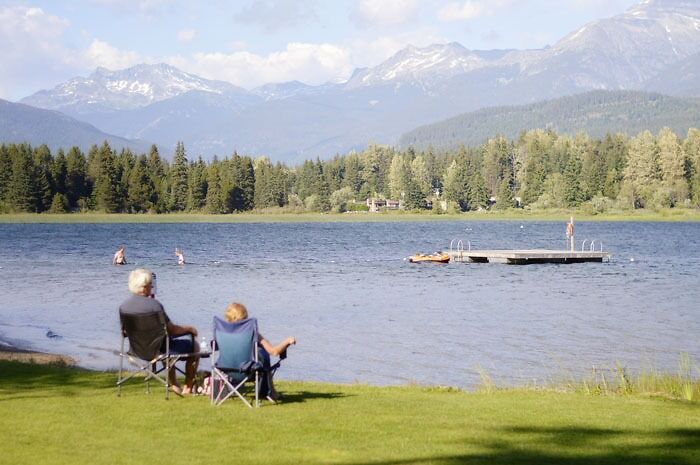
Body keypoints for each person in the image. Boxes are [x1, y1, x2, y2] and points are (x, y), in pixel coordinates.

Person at [119, 268, 199, 395]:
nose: (151, 287)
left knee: (164, 343)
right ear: (144, 287)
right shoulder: (155, 306)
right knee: (194, 346)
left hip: (136, 350)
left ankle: (174, 383)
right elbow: (172, 330)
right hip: (159, 350)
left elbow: (124, 332)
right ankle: (188, 387)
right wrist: (190, 329)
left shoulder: (124, 307)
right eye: (150, 284)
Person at [223, 302, 295, 401]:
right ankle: (270, 392)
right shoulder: (252, 333)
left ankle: (272, 392)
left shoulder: (223, 333)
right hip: (247, 372)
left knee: (261, 354)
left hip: (227, 371)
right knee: (263, 354)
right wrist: (287, 341)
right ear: (245, 318)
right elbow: (274, 352)